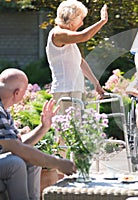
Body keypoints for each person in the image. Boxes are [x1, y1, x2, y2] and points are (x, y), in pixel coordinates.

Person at [0, 68, 76, 200]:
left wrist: (43, 127)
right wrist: (58, 163)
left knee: (32, 159)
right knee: (15, 163)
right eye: (24, 92)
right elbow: (17, 148)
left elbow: (18, 144)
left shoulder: (4, 110)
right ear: (17, 93)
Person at [46, 0, 108, 113]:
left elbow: (80, 62)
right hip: (65, 90)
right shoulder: (58, 34)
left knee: (78, 128)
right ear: (72, 19)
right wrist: (102, 21)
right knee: (70, 128)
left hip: (75, 89)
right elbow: (84, 35)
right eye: (81, 19)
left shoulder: (68, 39)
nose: (82, 24)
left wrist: (96, 84)